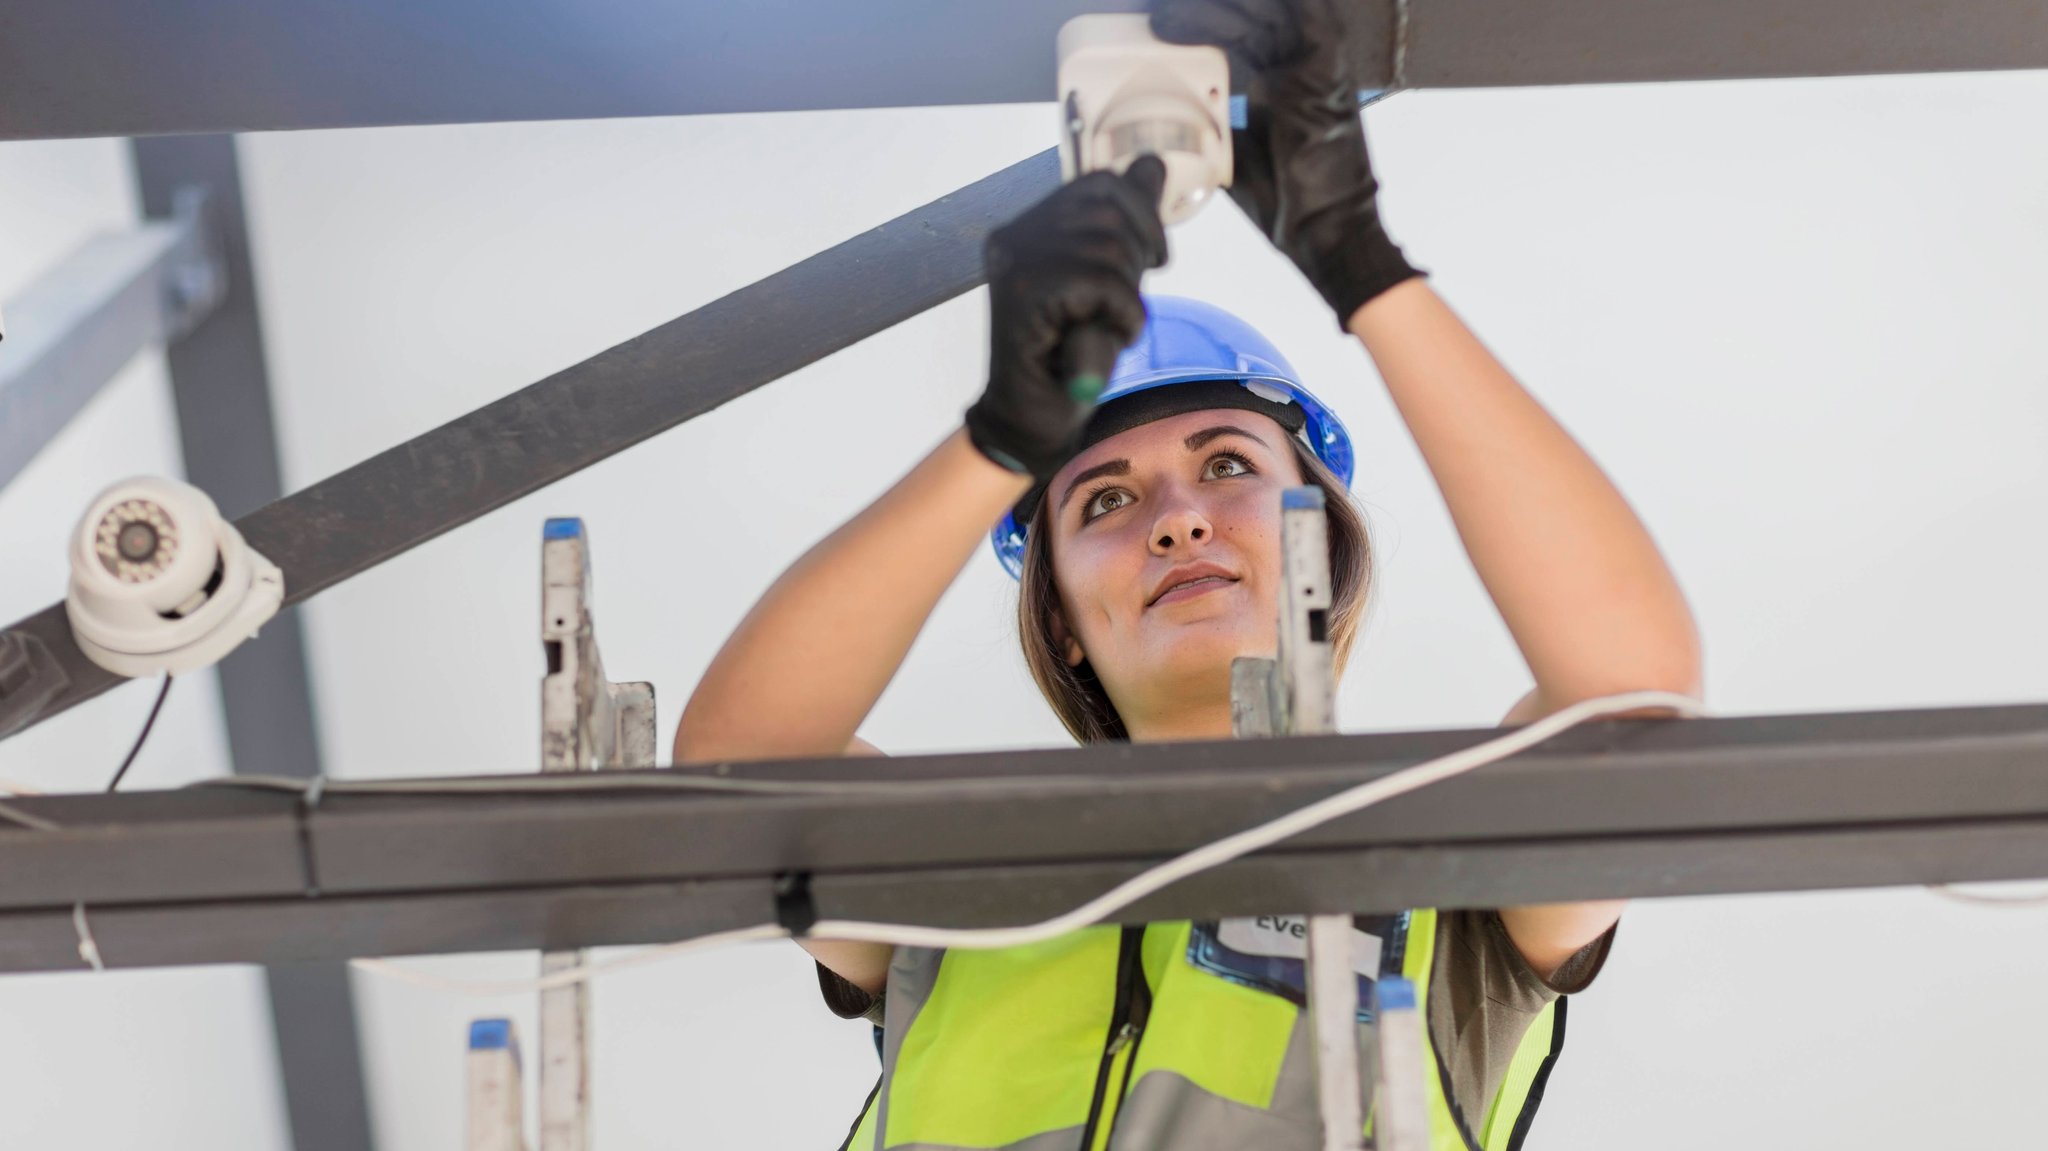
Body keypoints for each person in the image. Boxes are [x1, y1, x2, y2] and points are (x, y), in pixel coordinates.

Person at [674, 0, 1701, 1147]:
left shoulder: (1433, 876)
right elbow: (736, 770)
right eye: (1102, 497)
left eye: (1225, 463)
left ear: (1324, 539)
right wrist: (999, 440)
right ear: (1058, 616)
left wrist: (1363, 268)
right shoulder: (954, 887)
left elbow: (1630, 703)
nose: (1174, 521)